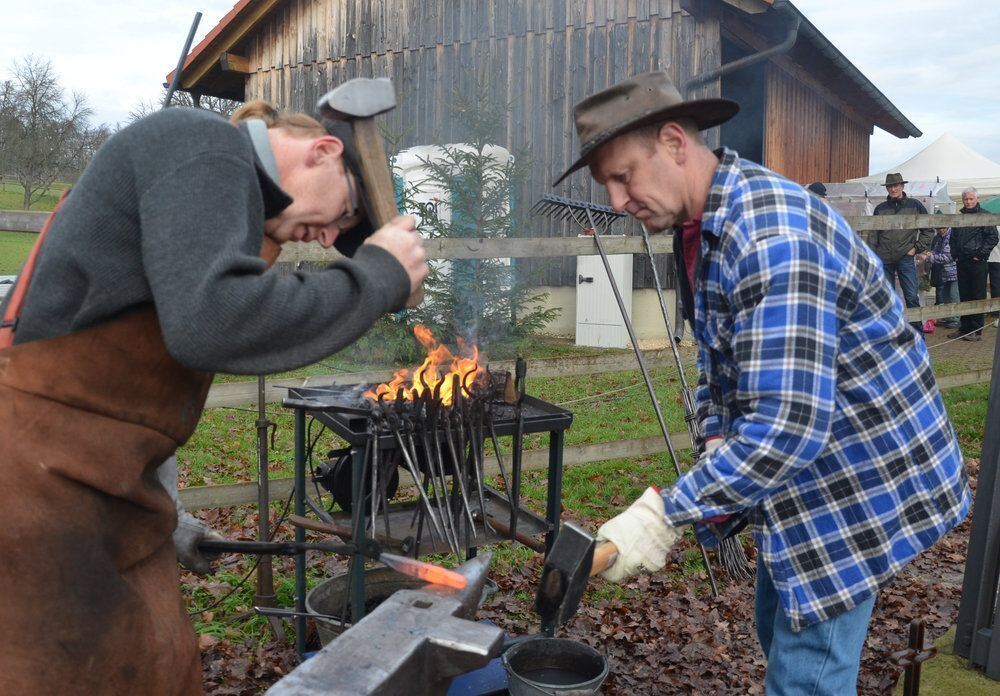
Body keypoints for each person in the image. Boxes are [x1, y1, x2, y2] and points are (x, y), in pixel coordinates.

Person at [555, 71, 970, 695]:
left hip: (855, 481)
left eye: (623, 177)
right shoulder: (703, 226)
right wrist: (718, 439)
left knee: (806, 676)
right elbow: (717, 362)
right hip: (799, 476)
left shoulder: (772, 239)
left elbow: (790, 425)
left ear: (674, 143)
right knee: (776, 623)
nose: (616, 201)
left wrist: (664, 516)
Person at [0, 99, 428, 694]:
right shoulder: (203, 143)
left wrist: (171, 519)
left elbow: (126, 407)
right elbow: (213, 322)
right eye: (345, 215)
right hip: (29, 501)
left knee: (161, 671)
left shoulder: (217, 196)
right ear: (324, 151)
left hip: (107, 503)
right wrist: (378, 275)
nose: (330, 238)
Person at [871, 173, 933, 335]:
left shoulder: (915, 205)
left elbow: (928, 229)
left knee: (911, 296)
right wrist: (873, 256)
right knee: (886, 298)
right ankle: (890, 333)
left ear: (902, 186)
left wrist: (916, 248)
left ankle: (917, 334)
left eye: (896, 185)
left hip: (905, 257)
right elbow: (873, 236)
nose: (893, 189)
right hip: (884, 259)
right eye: (890, 186)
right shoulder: (880, 209)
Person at [949, 187, 998, 341]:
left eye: (971, 199)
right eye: (966, 199)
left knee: (978, 295)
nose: (968, 202)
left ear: (976, 199)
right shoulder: (960, 217)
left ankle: (977, 330)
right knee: (964, 295)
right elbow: (953, 238)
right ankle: (965, 328)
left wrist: (980, 254)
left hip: (978, 263)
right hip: (962, 261)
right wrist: (955, 255)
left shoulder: (985, 216)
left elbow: (993, 237)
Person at [923, 212, 959, 329]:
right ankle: (948, 317)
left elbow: (947, 257)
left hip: (954, 272)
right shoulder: (938, 237)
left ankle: (955, 319)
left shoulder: (951, 236)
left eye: (942, 227)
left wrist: (928, 257)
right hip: (944, 273)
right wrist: (931, 253)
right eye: (938, 227)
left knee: (954, 296)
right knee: (946, 296)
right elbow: (936, 250)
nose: (940, 230)